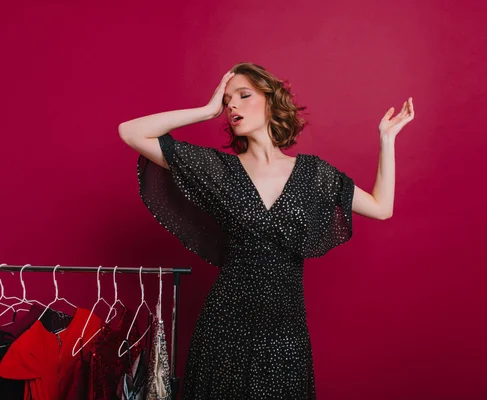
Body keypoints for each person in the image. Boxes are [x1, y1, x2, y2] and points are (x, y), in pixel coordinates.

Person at [118, 62, 414, 399]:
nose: (232, 105)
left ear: (272, 102)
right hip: (225, 327)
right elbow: (130, 132)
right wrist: (205, 110)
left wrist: (386, 140)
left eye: (244, 95)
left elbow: (381, 207)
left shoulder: (314, 174)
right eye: (227, 100)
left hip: (286, 331)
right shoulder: (218, 170)